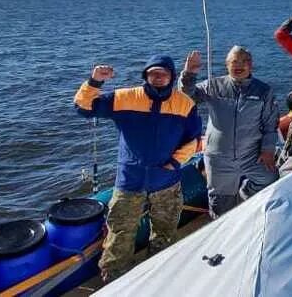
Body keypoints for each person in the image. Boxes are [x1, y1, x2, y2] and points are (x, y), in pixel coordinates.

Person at [73, 55, 201, 282]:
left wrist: (173, 163)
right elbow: (84, 108)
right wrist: (94, 82)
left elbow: (193, 139)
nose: (158, 77)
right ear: (146, 75)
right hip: (129, 181)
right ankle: (114, 278)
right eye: (153, 73)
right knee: (120, 232)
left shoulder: (184, 104)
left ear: (172, 76)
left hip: (166, 182)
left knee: (165, 230)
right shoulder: (125, 98)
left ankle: (160, 273)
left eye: (163, 73)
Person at [179, 46, 278, 218]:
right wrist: (189, 75)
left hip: (251, 155)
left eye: (244, 61)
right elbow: (185, 98)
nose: (239, 65)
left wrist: (268, 149)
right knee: (220, 204)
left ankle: (245, 196)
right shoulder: (213, 85)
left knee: (269, 179)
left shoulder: (264, 91)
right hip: (219, 157)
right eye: (234, 61)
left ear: (251, 65)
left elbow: (270, 123)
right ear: (227, 65)